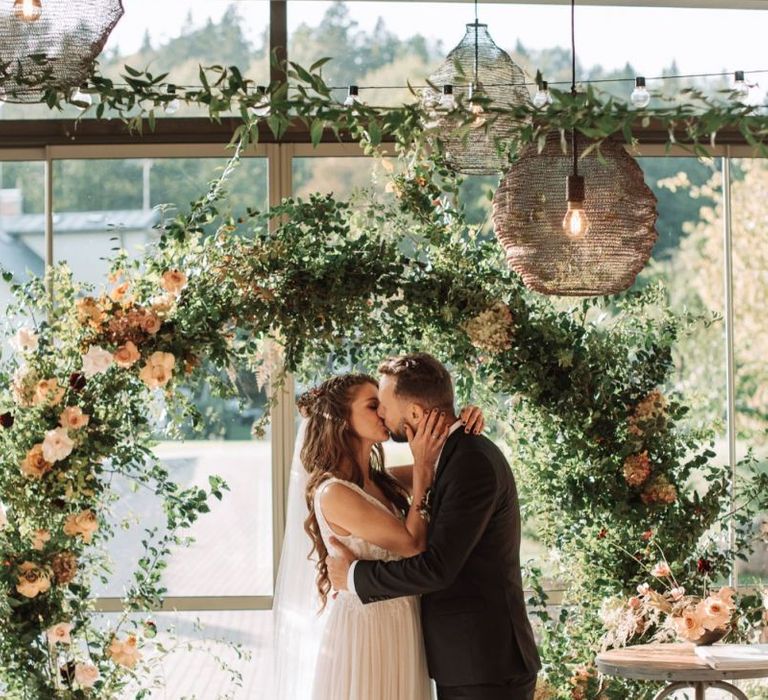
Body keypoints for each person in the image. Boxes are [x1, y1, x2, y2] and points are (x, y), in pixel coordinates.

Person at [328, 353, 541, 700]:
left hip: (485, 665)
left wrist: (352, 577)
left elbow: (438, 568)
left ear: (414, 413)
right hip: (467, 661)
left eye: (384, 405)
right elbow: (384, 488)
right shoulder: (451, 457)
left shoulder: (470, 462)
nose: (382, 413)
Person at [273, 371, 485, 700]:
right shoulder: (334, 493)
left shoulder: (380, 481)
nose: (384, 412)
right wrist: (424, 469)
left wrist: (458, 424)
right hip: (367, 633)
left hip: (403, 627)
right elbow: (413, 543)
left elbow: (444, 463)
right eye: (374, 406)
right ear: (343, 419)